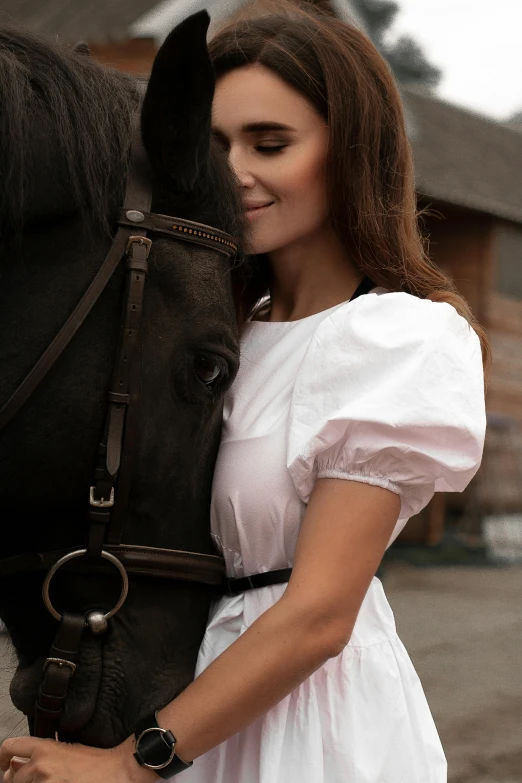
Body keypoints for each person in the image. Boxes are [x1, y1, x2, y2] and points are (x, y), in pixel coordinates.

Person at [0, 4, 487, 783]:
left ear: (349, 154)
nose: (233, 171)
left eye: (271, 143)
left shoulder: (395, 338)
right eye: (215, 144)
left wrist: (134, 762)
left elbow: (320, 616)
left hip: (310, 725)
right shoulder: (222, 334)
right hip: (200, 701)